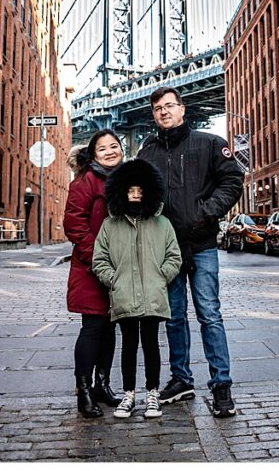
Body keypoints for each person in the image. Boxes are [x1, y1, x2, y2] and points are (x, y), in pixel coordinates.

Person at [137, 87, 244, 417]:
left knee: (210, 314)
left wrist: (206, 211)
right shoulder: (147, 150)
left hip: (201, 245)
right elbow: (137, 193)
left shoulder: (209, 143)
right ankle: (181, 379)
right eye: (158, 108)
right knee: (174, 318)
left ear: (183, 110)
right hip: (166, 250)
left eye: (170, 105)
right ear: (154, 115)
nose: (164, 112)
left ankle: (221, 385)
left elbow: (232, 180)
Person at [91, 159, 182, 419]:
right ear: (121, 191)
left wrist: (160, 277)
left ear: (148, 192)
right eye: (130, 190)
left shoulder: (162, 224)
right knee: (128, 346)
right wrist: (115, 280)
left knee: (151, 345)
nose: (135, 195)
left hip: (153, 295)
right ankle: (129, 395)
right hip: (124, 296)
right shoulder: (110, 225)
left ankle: (152, 394)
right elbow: (100, 259)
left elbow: (174, 257)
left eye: (140, 191)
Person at [62, 130, 125, 418]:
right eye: (103, 148)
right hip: (92, 267)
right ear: (93, 154)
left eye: (115, 146)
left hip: (121, 267)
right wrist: (99, 260)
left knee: (111, 327)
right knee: (93, 327)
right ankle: (83, 390)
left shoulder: (126, 180)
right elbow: (75, 226)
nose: (110, 151)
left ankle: (102, 385)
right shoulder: (84, 182)